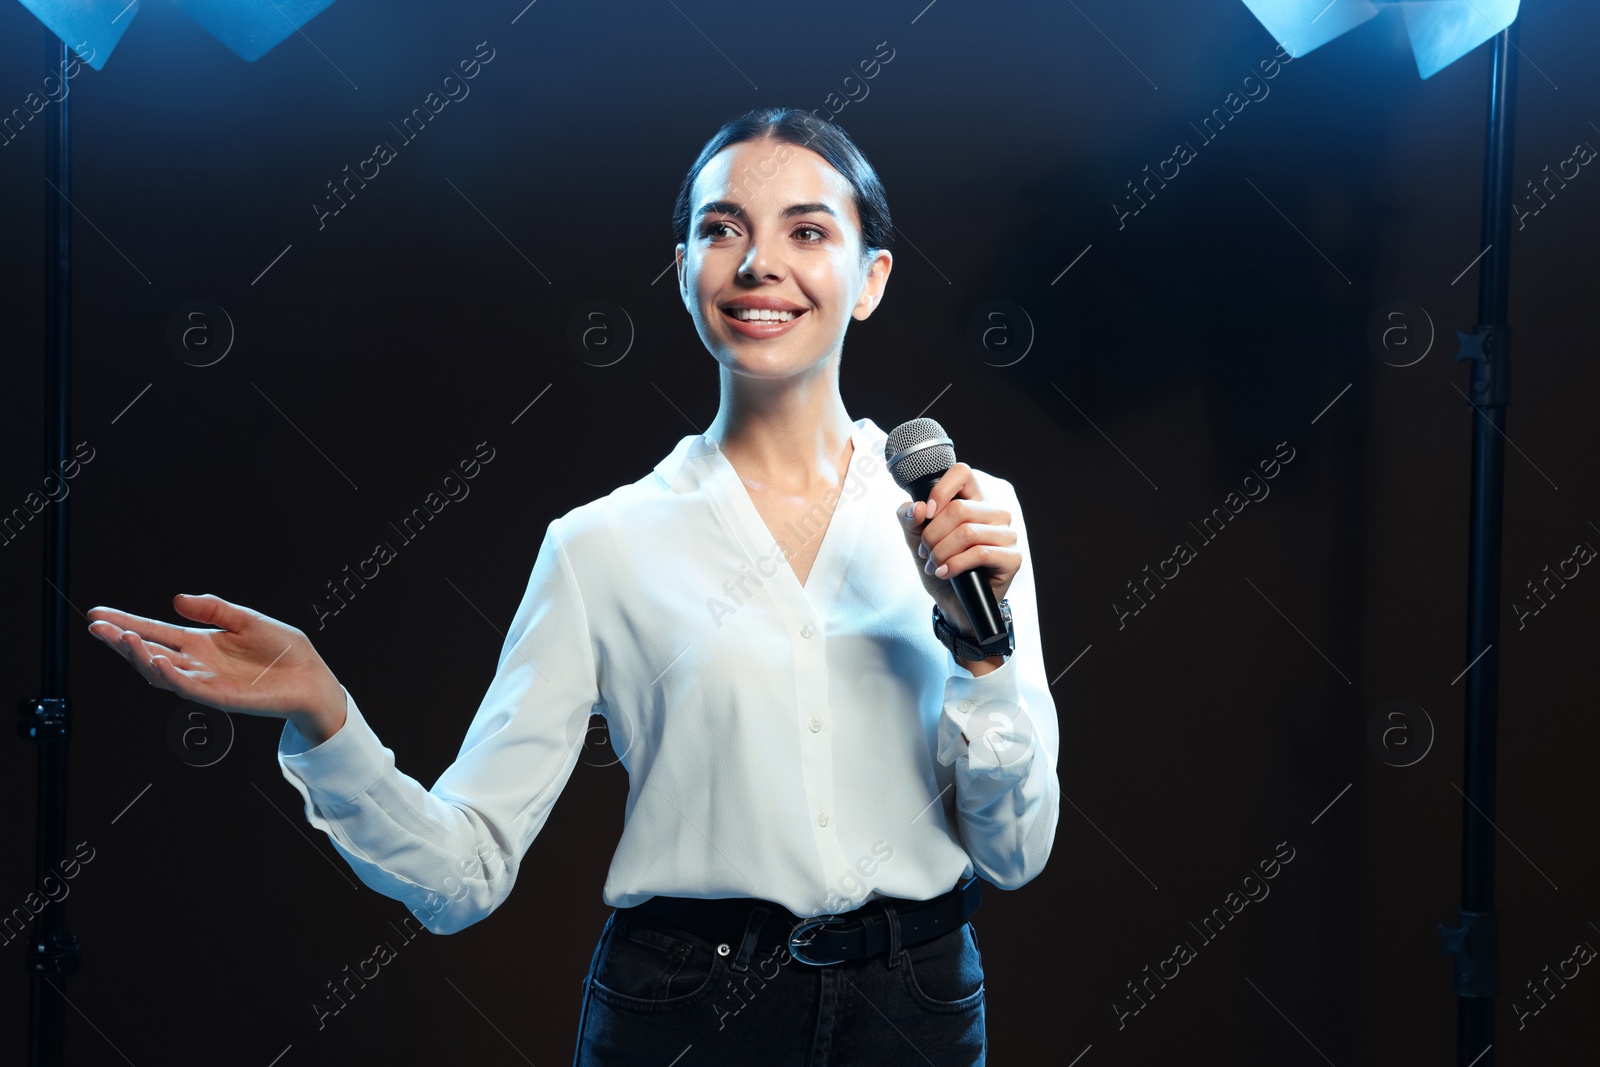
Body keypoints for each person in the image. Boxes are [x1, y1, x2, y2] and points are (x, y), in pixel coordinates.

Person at [86, 107, 1059, 1066]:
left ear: (870, 277)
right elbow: (462, 874)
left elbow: (1015, 850)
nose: (759, 263)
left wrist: (981, 655)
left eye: (808, 230)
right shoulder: (600, 546)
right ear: (683, 269)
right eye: (721, 228)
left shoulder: (965, 515)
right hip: (684, 1009)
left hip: (916, 1006)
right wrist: (323, 713)